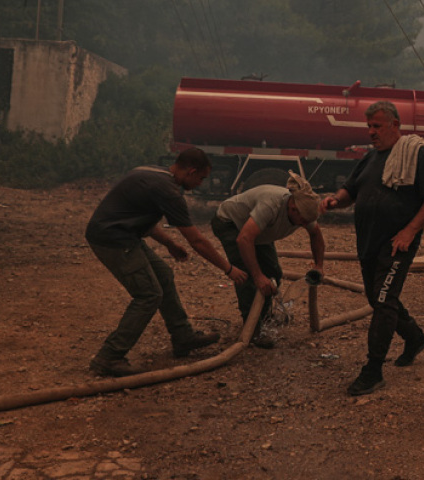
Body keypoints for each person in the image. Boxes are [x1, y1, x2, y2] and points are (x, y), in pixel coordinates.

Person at [84, 148, 249, 377]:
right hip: (112, 239)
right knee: (148, 295)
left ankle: (183, 337)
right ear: (191, 171)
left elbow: (141, 216)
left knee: (163, 275)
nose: (200, 184)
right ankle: (109, 357)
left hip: (123, 233)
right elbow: (197, 241)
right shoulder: (169, 191)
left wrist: (169, 244)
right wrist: (228, 268)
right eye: (200, 178)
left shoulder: (153, 172)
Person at [322, 101, 424, 396]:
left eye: (377, 126)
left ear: (395, 125)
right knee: (378, 299)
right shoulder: (369, 158)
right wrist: (336, 200)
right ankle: (414, 338)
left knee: (384, 300)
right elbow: (351, 190)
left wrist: (409, 230)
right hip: (368, 242)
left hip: (396, 244)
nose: (372, 132)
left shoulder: (415, 155)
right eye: (369, 126)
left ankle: (373, 370)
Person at [210, 171, 325, 348]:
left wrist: (319, 265)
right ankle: (253, 330)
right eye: (301, 221)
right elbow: (244, 239)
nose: (302, 225)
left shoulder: (305, 210)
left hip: (257, 232)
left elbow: (316, 234)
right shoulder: (271, 204)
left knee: (273, 273)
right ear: (293, 208)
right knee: (246, 277)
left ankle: (263, 315)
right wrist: (257, 276)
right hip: (230, 223)